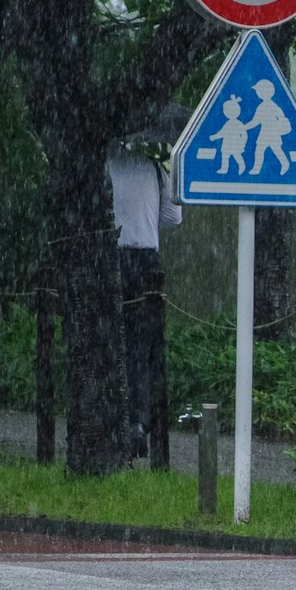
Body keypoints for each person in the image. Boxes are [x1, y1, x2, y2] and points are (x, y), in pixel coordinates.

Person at [110, 149, 177, 460]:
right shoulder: (151, 167)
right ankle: (142, 420)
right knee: (144, 346)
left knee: (111, 342)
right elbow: (173, 217)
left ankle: (117, 416)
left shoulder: (102, 166)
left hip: (113, 257)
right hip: (148, 260)